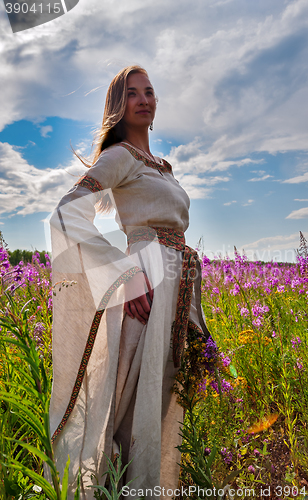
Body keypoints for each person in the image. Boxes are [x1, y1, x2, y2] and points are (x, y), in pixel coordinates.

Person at [49, 65, 209, 499]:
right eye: (132, 93)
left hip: (175, 289)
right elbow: (66, 213)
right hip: (146, 287)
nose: (143, 99)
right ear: (118, 108)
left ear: (156, 106)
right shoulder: (120, 155)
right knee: (127, 410)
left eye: (149, 92)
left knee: (156, 407)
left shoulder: (163, 167)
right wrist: (126, 276)